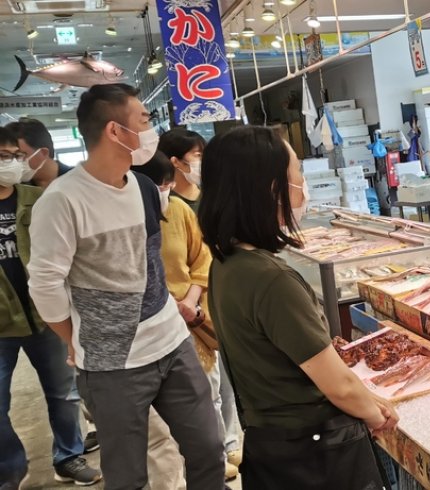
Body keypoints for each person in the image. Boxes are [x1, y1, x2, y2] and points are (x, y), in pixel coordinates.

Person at [27, 83, 225, 490]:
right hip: (112, 364)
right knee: (127, 472)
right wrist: (74, 339)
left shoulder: (144, 189)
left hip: (172, 343)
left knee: (207, 446)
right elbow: (45, 286)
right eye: (144, 120)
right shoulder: (62, 201)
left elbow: (150, 265)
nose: (151, 129)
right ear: (116, 131)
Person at [198, 126, 397, 489]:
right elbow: (336, 384)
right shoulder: (270, 279)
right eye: (297, 174)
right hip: (315, 455)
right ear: (273, 189)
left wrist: (367, 396)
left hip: (272, 445)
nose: (302, 184)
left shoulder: (226, 262)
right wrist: (375, 414)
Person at [0, 127, 101, 488]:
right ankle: (9, 469)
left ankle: (68, 456)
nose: (9, 163)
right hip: (1, 325)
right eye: (1, 156)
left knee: (63, 393)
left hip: (47, 316)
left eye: (13, 155)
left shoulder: (39, 197)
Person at [158, 128, 243, 468]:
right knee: (199, 385)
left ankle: (231, 441)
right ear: (175, 163)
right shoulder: (166, 208)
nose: (201, 163)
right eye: (196, 156)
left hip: (216, 295)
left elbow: (206, 256)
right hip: (178, 310)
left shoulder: (212, 196)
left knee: (224, 376)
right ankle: (213, 451)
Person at [5, 118, 73, 189]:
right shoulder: (14, 189)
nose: (12, 163)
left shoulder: (79, 180)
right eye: (7, 156)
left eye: (18, 155)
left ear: (43, 153)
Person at [158, 128, 205, 212]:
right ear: (175, 161)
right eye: (198, 155)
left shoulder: (211, 193)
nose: (204, 160)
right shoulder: (164, 204)